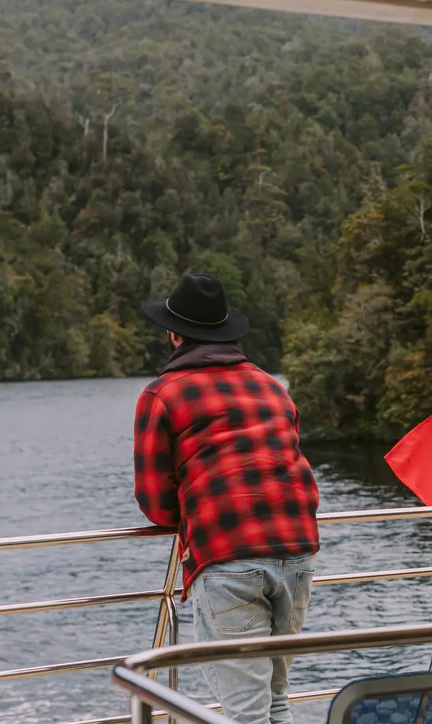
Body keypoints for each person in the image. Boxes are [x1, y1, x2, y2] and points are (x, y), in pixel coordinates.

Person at [133, 272, 320, 724]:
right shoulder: (272, 386)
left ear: (175, 334)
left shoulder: (162, 395)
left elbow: (156, 504)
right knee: (275, 698)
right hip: (298, 553)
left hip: (228, 560)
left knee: (243, 713)